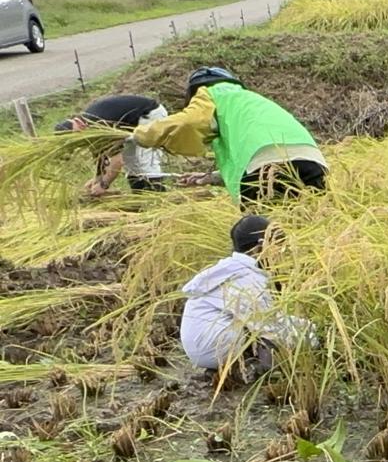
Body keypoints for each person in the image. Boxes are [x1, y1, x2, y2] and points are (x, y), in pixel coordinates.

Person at [134, 68, 327, 206]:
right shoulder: (250, 101)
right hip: (312, 162)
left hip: (265, 169)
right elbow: (256, 152)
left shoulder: (210, 92)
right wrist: (210, 177)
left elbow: (188, 122)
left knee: (262, 240)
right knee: (309, 226)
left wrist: (141, 135)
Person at [179, 215, 315, 378]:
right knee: (284, 333)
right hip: (215, 347)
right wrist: (311, 336)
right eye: (277, 247)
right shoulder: (246, 278)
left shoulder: (230, 268)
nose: (280, 255)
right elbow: (268, 326)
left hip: (201, 347)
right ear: (260, 247)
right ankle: (263, 371)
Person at [52, 94, 173, 196]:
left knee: (145, 159)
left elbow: (117, 162)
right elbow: (101, 157)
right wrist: (97, 179)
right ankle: (139, 197)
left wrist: (104, 185)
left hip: (150, 115)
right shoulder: (87, 128)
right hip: (131, 124)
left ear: (78, 124)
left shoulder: (98, 126)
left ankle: (159, 196)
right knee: (131, 162)